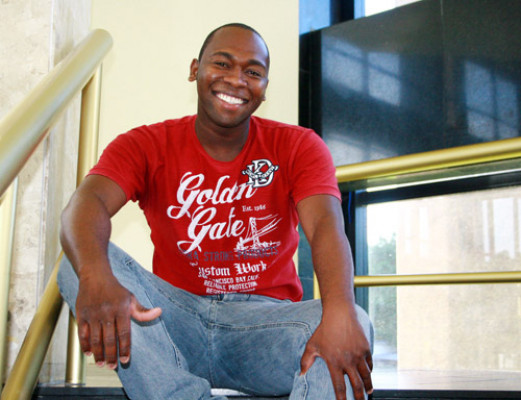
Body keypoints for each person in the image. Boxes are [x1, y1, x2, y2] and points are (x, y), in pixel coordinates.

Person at [58, 23, 374, 400]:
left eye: (252, 72)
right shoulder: (145, 144)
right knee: (81, 262)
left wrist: (341, 309)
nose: (236, 80)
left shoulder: (298, 145)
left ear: (265, 87)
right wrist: (96, 277)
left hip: (264, 329)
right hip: (173, 324)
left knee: (349, 320)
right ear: (195, 69)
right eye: (222, 64)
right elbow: (86, 204)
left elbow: (324, 226)